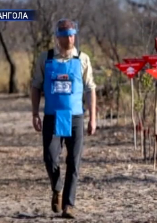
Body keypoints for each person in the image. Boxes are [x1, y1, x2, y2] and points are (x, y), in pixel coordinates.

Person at [31, 18, 97, 219]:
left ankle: (69, 204)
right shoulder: (46, 58)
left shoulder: (82, 59)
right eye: (64, 35)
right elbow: (35, 86)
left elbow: (90, 89)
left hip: (76, 116)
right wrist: (34, 113)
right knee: (50, 157)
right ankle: (57, 187)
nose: (68, 38)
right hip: (52, 115)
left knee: (74, 161)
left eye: (71, 34)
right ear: (57, 37)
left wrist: (92, 118)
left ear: (75, 35)